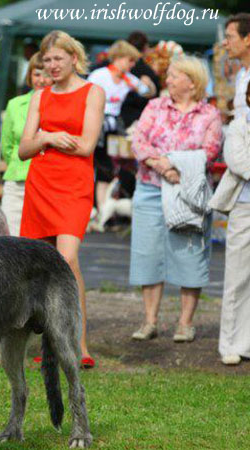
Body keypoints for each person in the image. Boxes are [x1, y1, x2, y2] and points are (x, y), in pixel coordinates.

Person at [18, 30, 105, 368]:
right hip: (40, 184)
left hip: (74, 185)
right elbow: (25, 149)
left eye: (58, 59)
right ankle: (54, 342)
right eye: (47, 60)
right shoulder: (40, 96)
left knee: (66, 260)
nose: (52, 65)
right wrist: (51, 137)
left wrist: (44, 138)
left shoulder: (93, 91)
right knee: (41, 267)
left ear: (73, 57)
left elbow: (85, 145)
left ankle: (79, 343)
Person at [129, 56, 223, 343]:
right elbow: (139, 141)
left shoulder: (209, 114)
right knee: (148, 253)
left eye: (173, 76)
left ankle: (185, 323)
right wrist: (161, 167)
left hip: (188, 193)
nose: (166, 80)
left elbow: (210, 151)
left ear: (191, 82)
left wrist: (172, 165)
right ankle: (149, 321)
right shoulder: (154, 106)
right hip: (150, 187)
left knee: (189, 253)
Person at [210, 13, 250, 365]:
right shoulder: (239, 77)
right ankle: (231, 344)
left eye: (232, 35)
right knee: (237, 270)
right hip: (245, 191)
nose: (227, 42)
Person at [88, 40, 156, 218]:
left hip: (114, 125)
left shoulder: (129, 79)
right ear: (118, 58)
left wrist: (149, 83)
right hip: (97, 121)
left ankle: (103, 212)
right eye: (130, 60)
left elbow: (148, 92)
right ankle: (92, 209)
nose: (132, 65)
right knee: (93, 164)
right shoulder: (99, 75)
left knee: (108, 168)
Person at [1, 52, 52, 236]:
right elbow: (6, 146)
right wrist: (16, 164)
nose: (41, 79)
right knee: (10, 239)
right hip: (18, 181)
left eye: (46, 74)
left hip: (47, 182)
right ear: (29, 75)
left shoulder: (59, 104)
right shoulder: (15, 104)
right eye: (37, 74)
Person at [120, 31, 161, 128]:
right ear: (145, 48)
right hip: (139, 119)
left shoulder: (116, 68)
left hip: (118, 117)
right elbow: (155, 99)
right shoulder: (148, 72)